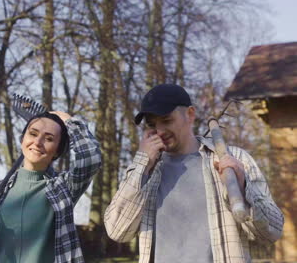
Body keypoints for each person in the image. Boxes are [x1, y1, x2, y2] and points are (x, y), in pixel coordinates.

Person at [104, 84, 283, 263]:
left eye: (166, 120)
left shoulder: (233, 160)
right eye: (152, 124)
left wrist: (243, 187)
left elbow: (272, 231)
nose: (159, 131)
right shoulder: (147, 171)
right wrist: (141, 165)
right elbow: (117, 231)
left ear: (190, 114)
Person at [0, 111, 101, 263]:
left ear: (57, 150)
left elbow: (91, 159)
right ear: (23, 139)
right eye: (33, 133)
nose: (37, 142)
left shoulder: (63, 187)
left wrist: (68, 121)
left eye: (49, 138)